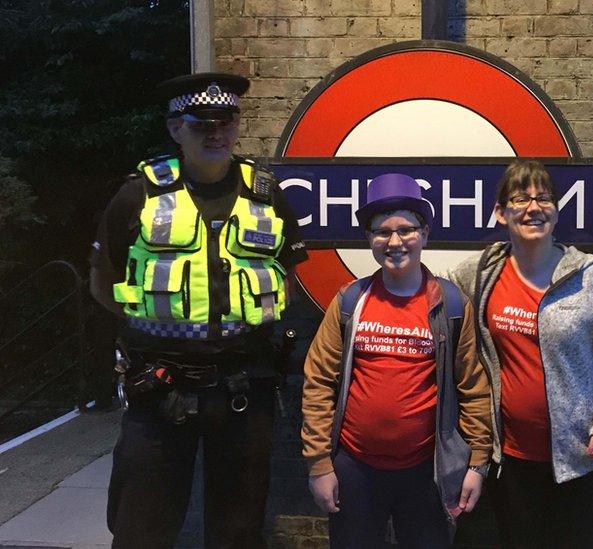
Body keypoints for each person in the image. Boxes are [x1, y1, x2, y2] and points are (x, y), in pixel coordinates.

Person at [89, 72, 308, 548]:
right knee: (142, 524)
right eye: (199, 122)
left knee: (240, 526)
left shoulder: (267, 195)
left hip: (244, 388)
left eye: (225, 121)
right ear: (175, 129)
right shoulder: (138, 195)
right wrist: (157, 331)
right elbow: (103, 281)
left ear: (235, 127)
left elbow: (287, 277)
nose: (215, 132)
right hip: (159, 388)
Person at [449, 159, 593, 548]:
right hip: (509, 459)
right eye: (520, 199)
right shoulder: (481, 272)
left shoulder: (587, 275)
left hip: (579, 456)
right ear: (500, 213)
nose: (534, 207)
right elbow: (433, 299)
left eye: (544, 198)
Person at [301, 173, 492, 549]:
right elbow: (318, 381)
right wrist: (319, 465)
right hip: (354, 468)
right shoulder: (349, 303)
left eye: (406, 229)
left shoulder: (451, 306)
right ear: (368, 239)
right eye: (381, 231)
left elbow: (473, 387)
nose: (394, 241)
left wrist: (476, 463)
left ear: (424, 234)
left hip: (427, 471)